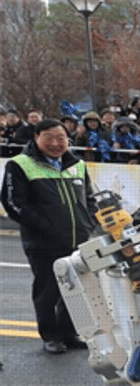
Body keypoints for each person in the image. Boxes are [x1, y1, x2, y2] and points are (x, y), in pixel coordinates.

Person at [2, 119, 95, 354]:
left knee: (75, 290)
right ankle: (50, 336)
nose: (55, 143)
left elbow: (89, 199)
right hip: (43, 242)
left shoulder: (78, 165)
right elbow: (13, 204)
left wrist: (89, 223)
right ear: (36, 137)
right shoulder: (21, 165)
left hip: (78, 239)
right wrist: (44, 226)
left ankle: (69, 333)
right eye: (49, 138)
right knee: (47, 291)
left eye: (61, 138)